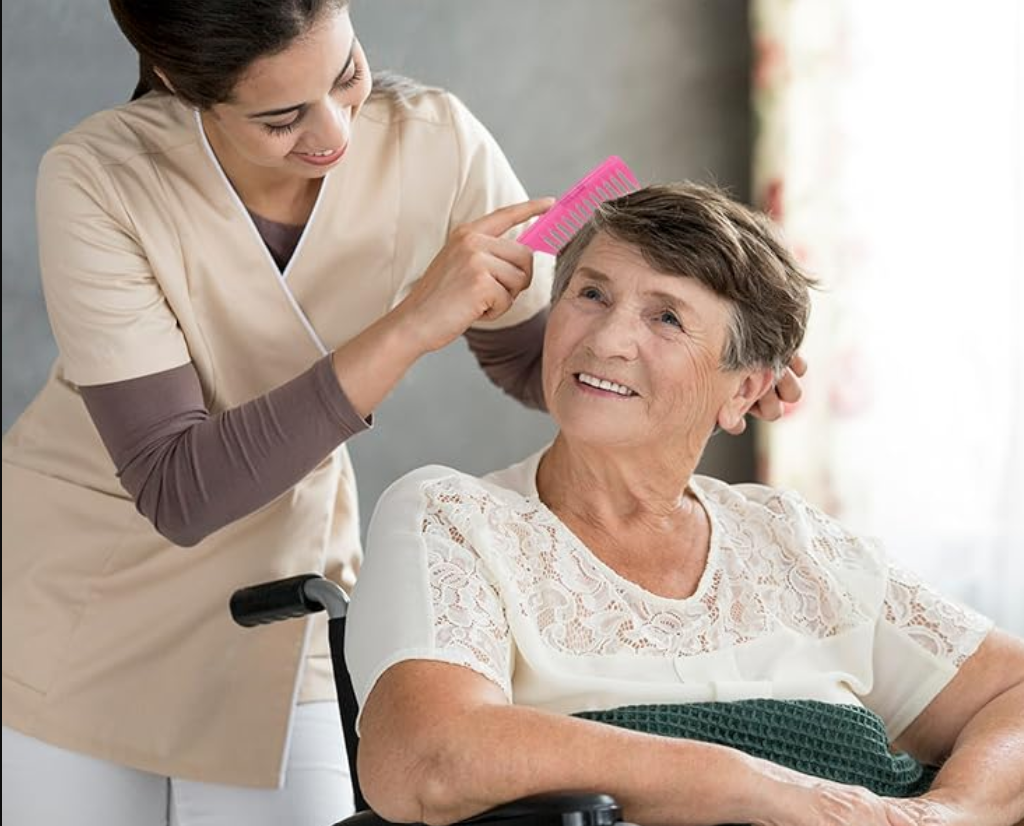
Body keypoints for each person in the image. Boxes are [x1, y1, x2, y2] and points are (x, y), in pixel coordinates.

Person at [0, 1, 804, 822]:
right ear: (178, 81)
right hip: (79, 613)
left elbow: (535, 359)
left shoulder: (434, 142)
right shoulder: (102, 177)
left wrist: (696, 379)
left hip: (284, 604)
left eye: (346, 74)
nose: (334, 133)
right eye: (282, 118)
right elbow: (179, 490)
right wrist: (414, 322)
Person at [347, 183, 1024, 826]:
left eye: (666, 317)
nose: (605, 340)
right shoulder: (454, 518)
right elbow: (428, 757)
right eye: (591, 294)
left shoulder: (798, 543)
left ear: (744, 391)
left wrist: (952, 812)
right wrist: (760, 788)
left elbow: (1012, 694)